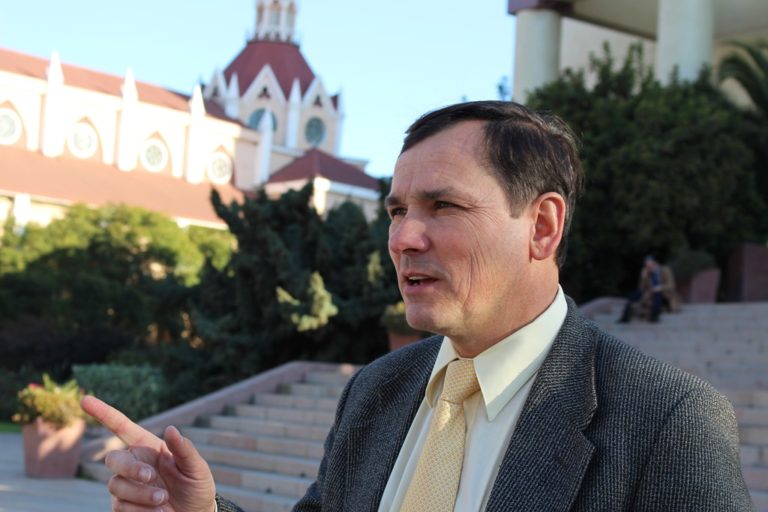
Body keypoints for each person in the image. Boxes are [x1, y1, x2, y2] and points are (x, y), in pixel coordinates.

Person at [82, 101, 752, 511]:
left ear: (542, 227)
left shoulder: (667, 421)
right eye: (397, 210)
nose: (403, 238)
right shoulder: (377, 389)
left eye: (444, 205)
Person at [618, 255, 680, 323]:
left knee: (658, 295)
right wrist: (643, 277)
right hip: (649, 293)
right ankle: (625, 317)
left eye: (650, 265)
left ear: (655, 263)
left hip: (663, 293)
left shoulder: (665, 269)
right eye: (647, 266)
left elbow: (671, 284)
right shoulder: (646, 272)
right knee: (632, 295)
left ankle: (654, 316)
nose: (649, 268)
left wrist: (660, 287)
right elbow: (640, 289)